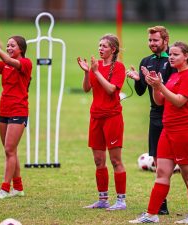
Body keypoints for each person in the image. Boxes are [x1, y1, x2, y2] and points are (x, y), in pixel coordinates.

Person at [129, 41, 188, 224]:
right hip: (168, 130)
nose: (171, 57)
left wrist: (160, 86)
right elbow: (160, 101)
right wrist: (155, 86)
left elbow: (179, 101)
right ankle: (151, 214)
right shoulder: (173, 76)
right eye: (170, 54)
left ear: (186, 56)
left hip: (186, 131)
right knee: (162, 172)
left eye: (176, 54)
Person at [127, 25, 175, 215]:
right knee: (157, 158)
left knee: (182, 161)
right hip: (155, 115)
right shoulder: (146, 61)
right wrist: (138, 79)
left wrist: (157, 84)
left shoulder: (172, 61)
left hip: (172, 115)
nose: (152, 44)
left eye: (155, 40)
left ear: (165, 40)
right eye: (150, 40)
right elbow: (139, 92)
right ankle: (162, 204)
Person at [77, 34, 127, 211]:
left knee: (115, 160)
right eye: (99, 45)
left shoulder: (119, 67)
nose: (100, 49)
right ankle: (103, 199)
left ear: (113, 50)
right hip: (95, 117)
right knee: (99, 160)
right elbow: (86, 89)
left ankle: (121, 200)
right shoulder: (94, 67)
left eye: (104, 46)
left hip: (112, 117)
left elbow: (111, 89)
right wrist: (86, 72)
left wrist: (96, 71)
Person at [0, 28, 32, 199]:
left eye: (12, 45)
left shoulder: (25, 63)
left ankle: (5, 189)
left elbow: (9, 60)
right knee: (10, 150)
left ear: (21, 49)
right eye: (8, 45)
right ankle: (18, 188)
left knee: (10, 150)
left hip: (19, 110)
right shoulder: (6, 66)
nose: (9, 47)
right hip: (4, 110)